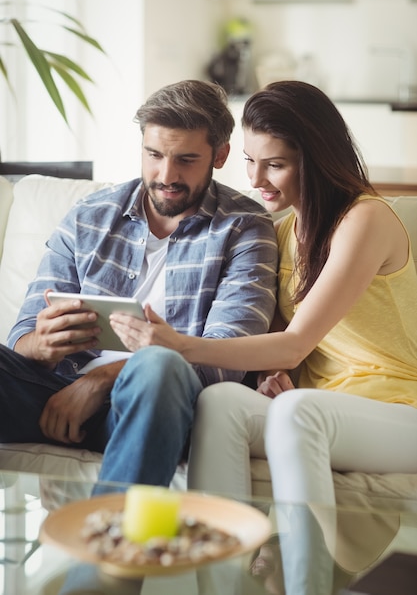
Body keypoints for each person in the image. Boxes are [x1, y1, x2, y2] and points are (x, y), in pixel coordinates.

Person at [109, 80, 417, 594]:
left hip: (399, 411)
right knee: (223, 401)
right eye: (251, 161)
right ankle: (224, 583)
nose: (256, 179)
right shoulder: (277, 231)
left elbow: (297, 339)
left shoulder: (365, 218)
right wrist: (281, 377)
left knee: (301, 412)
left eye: (275, 164)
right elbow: (285, 353)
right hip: (324, 408)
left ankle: (305, 585)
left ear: (315, 158)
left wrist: (178, 344)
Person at [0, 79, 278, 489]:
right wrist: (40, 345)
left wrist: (100, 381)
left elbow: (226, 356)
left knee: (158, 362)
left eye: (186, 159)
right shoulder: (88, 216)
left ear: (219, 156)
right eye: (154, 155)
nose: (166, 175)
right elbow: (21, 337)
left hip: (158, 402)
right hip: (53, 392)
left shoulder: (244, 228)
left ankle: (113, 543)